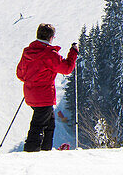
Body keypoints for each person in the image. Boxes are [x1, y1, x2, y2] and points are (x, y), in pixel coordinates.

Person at [16, 23, 77, 152]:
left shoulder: (28, 52)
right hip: (44, 96)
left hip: (31, 94)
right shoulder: (49, 54)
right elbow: (66, 68)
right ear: (51, 38)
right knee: (39, 125)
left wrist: (33, 78)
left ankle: (44, 150)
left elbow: (20, 74)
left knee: (49, 123)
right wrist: (73, 53)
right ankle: (31, 151)